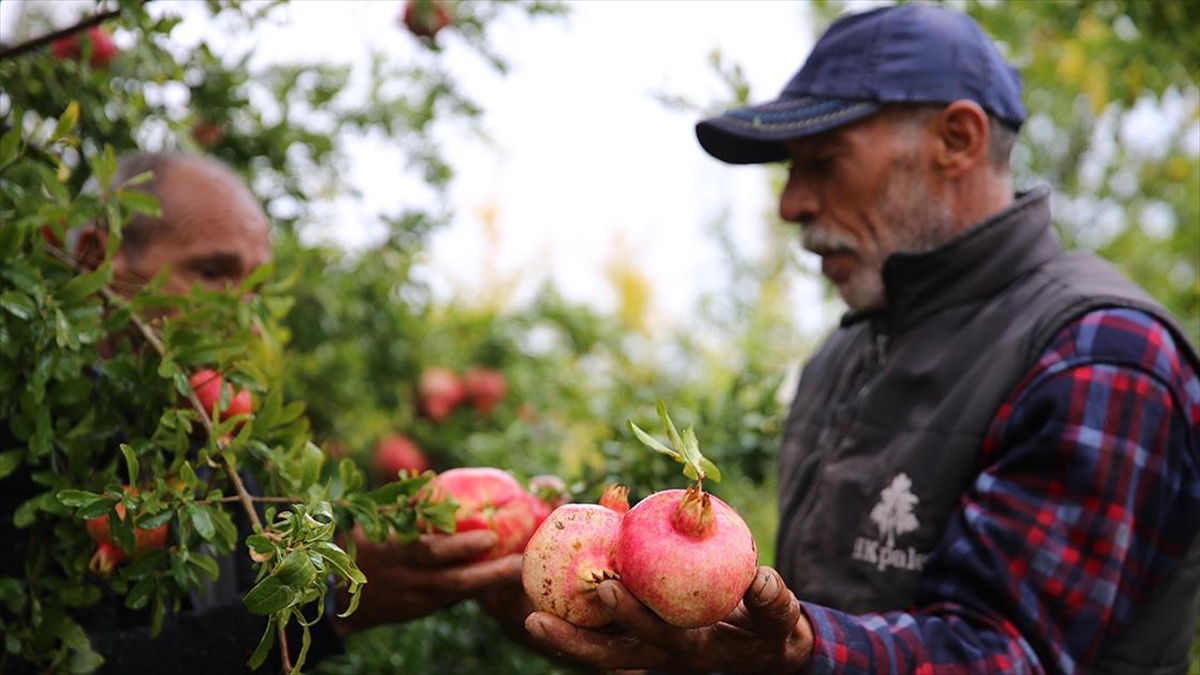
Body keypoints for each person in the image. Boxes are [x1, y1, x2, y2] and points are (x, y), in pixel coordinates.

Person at [522, 4, 1200, 674]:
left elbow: (1008, 653)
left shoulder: (1102, 353)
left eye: (824, 161)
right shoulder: (844, 354)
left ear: (957, 139)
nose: (791, 204)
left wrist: (798, 650)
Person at [1, 151, 523, 673]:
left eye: (256, 291)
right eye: (211, 272)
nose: (247, 326)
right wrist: (323, 608)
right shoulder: (23, 438)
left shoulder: (228, 460)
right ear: (97, 261)